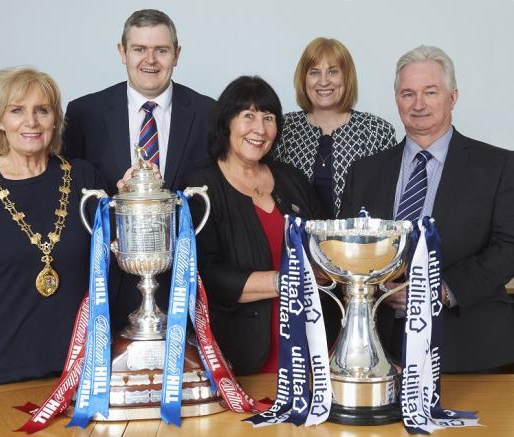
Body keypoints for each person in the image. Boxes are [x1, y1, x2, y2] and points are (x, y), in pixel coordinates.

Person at [340, 45, 514, 372]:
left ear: (453, 97)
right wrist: (376, 287)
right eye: (408, 94)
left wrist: (439, 291)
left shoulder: (500, 166)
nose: (418, 104)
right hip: (381, 353)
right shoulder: (364, 172)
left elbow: (509, 247)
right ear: (397, 100)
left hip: (471, 352)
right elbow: (349, 250)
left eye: (430, 92)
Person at [62, 9, 215, 327]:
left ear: (177, 54)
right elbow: (68, 200)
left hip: (187, 286)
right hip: (108, 288)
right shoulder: (83, 114)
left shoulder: (209, 114)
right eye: (139, 49)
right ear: (122, 52)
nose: (151, 60)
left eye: (161, 50)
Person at [0, 67, 105, 388]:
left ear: (55, 119)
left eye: (42, 110)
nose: (31, 121)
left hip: (77, 366)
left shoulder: (85, 178)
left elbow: (111, 259)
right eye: (17, 111)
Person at [185, 76, 326, 375]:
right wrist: (285, 282)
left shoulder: (293, 180)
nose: (259, 129)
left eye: (268, 118)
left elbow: (324, 248)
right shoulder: (200, 186)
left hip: (309, 349)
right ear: (226, 123)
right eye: (248, 116)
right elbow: (204, 274)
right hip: (240, 356)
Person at [274, 37, 396, 218]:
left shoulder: (376, 131)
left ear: (347, 77)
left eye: (333, 72)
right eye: (314, 72)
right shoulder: (284, 129)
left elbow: (390, 201)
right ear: (304, 79)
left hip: (359, 244)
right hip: (295, 242)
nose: (323, 81)